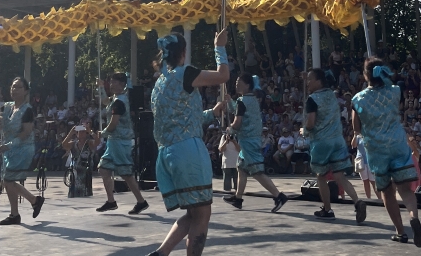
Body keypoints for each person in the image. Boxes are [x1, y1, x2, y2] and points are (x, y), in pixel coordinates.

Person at [147, 30, 229, 256]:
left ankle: (162, 252)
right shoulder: (186, 73)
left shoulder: (160, 84)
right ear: (183, 52)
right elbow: (223, 76)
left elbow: (181, 119)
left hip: (167, 153)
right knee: (202, 214)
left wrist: (211, 113)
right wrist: (219, 47)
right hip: (187, 151)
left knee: (194, 213)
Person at [351, 58, 421, 247]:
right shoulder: (394, 91)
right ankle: (413, 217)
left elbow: (356, 127)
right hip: (398, 145)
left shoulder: (358, 99)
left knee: (387, 192)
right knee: (405, 190)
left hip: (377, 150)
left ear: (365, 75)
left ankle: (400, 231)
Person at [303, 68, 366, 220]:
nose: (307, 82)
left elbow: (311, 122)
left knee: (321, 176)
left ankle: (327, 209)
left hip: (322, 142)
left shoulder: (312, 99)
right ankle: (357, 201)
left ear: (319, 81)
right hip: (338, 141)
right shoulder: (332, 96)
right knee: (340, 176)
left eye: (310, 79)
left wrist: (304, 130)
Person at [223, 73, 288, 212]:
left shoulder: (242, 101)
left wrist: (230, 129)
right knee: (241, 168)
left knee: (257, 172)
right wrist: (229, 102)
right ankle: (238, 197)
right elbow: (240, 112)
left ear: (247, 85)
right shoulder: (251, 100)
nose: (236, 84)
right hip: (252, 139)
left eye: (239, 81)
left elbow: (237, 122)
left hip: (248, 141)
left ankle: (279, 196)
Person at [96, 72, 149, 215]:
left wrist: (103, 133)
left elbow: (113, 124)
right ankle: (111, 201)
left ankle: (141, 201)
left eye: (115, 83)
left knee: (126, 174)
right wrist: (100, 88)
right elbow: (105, 101)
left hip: (120, 141)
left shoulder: (119, 102)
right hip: (114, 142)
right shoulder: (116, 99)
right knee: (104, 169)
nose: (112, 85)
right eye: (111, 82)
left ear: (123, 85)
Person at [0, 77, 45, 225]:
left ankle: (17, 212)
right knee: (8, 181)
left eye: (18, 87)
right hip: (9, 148)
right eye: (13, 86)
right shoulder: (7, 107)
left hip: (22, 148)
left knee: (8, 180)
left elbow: (26, 132)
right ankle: (32, 202)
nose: (14, 90)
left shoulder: (28, 110)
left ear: (25, 91)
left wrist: (10, 144)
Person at [61, 123, 97, 198]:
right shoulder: (73, 144)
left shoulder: (89, 143)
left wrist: (90, 131)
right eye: (79, 132)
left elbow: (97, 141)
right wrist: (70, 133)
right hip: (75, 173)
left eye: (83, 132)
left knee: (86, 193)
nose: (81, 133)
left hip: (85, 172)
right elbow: (64, 145)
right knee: (73, 192)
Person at [353, 133, 377, 198]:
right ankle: (368, 198)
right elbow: (353, 145)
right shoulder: (358, 136)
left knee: (373, 181)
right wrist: (355, 135)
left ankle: (380, 199)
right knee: (365, 181)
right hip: (361, 161)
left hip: (371, 160)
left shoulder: (372, 134)